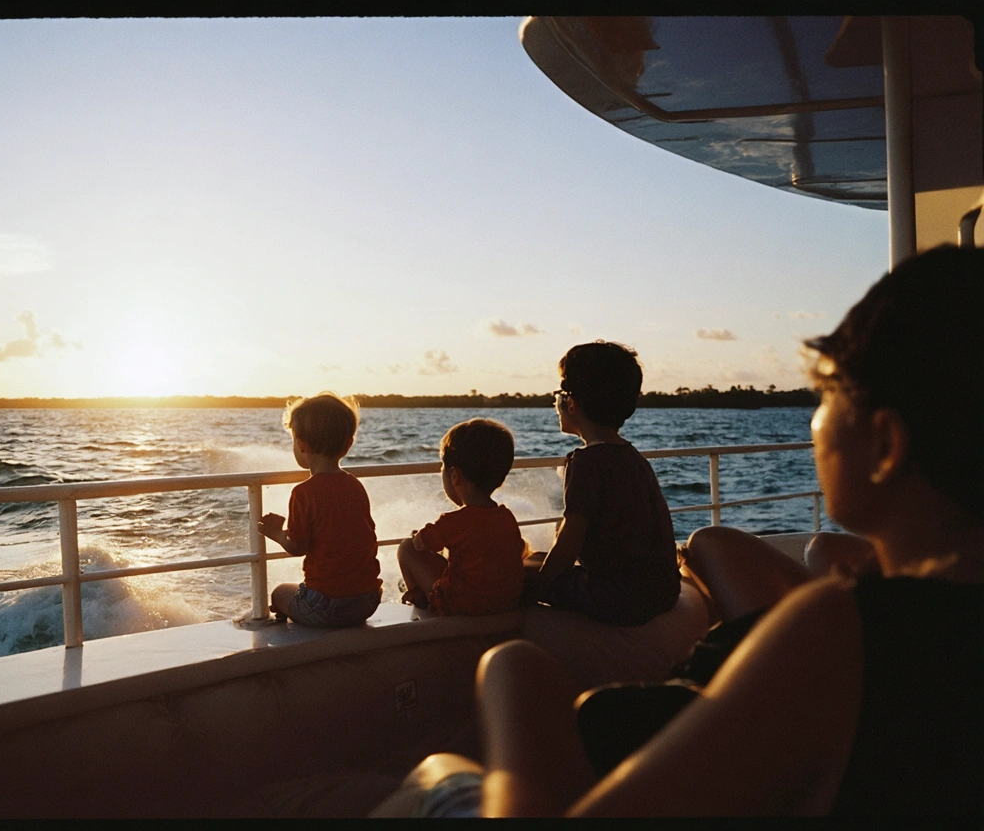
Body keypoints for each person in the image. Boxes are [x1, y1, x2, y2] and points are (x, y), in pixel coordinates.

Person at [374, 245, 983, 817]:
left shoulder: (844, 629)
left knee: (507, 673)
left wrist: (518, 690)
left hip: (618, 743)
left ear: (885, 445)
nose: (815, 420)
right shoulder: (901, 611)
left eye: (825, 395)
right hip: (672, 675)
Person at [522, 341, 680, 626]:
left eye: (559, 393)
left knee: (521, 575)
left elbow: (571, 538)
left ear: (571, 402)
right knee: (534, 560)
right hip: (662, 590)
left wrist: (541, 586)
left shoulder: (586, 461)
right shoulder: (632, 458)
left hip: (618, 597)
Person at [256, 393, 382, 627]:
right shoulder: (355, 485)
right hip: (367, 601)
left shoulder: (304, 492)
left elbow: (297, 546)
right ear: (348, 444)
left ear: (301, 445)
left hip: (327, 608)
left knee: (279, 594)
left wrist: (276, 532)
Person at [397, 418, 526, 615]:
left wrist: (418, 537)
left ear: (455, 475)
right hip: (504, 604)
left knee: (406, 548)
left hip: (461, 605)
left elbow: (420, 544)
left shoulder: (453, 522)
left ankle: (420, 598)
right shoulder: (506, 517)